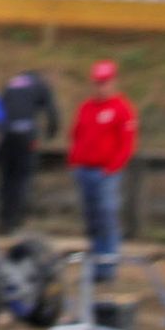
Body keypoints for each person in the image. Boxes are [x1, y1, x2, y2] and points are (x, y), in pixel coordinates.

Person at [66, 60, 137, 283]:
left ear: (113, 82)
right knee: (92, 219)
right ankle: (96, 264)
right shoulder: (86, 107)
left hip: (105, 172)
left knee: (107, 216)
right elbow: (76, 134)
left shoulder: (122, 108)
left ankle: (108, 266)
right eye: (97, 82)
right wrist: (75, 160)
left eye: (104, 82)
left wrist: (112, 167)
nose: (101, 87)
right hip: (85, 170)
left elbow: (126, 143)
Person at [0, 69, 58, 234]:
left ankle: (3, 219)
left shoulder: (11, 83)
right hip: (26, 137)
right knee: (22, 179)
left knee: (6, 178)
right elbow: (52, 112)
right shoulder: (40, 85)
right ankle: (15, 222)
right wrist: (51, 133)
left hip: (7, 137)